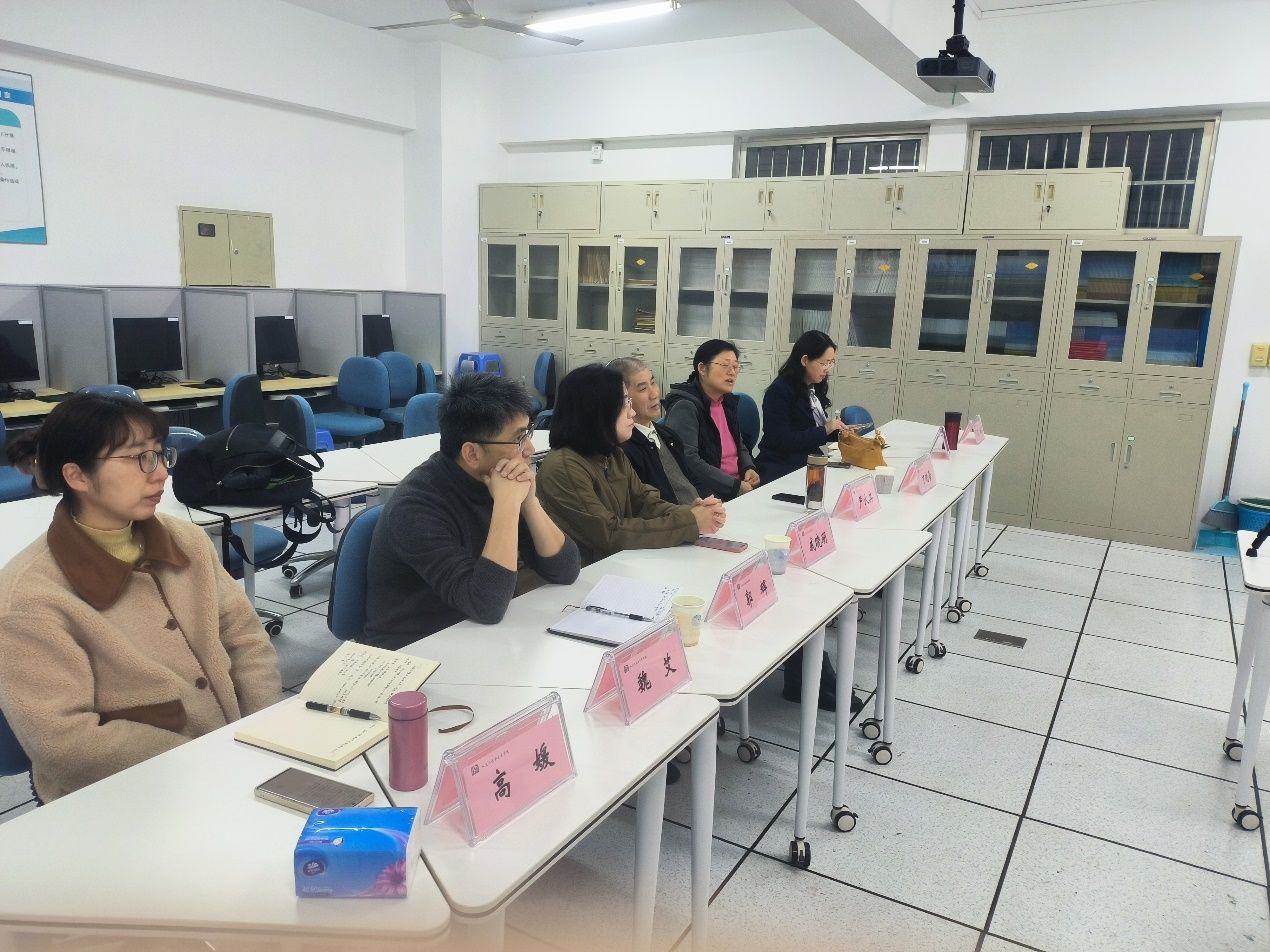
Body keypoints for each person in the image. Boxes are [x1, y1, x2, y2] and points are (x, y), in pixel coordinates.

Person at [0, 395, 283, 802]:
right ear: (77, 476)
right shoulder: (28, 598)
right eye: (139, 458)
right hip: (125, 794)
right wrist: (206, 765)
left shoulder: (185, 539)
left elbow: (246, 640)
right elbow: (65, 743)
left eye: (160, 454)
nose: (162, 472)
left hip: (235, 762)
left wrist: (262, 734)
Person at [363, 373, 580, 649]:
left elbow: (565, 570)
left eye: (527, 432)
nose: (529, 449)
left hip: (475, 632)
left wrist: (529, 503)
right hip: (415, 647)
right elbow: (486, 604)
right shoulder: (414, 507)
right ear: (472, 454)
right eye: (518, 439)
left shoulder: (496, 481)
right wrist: (507, 505)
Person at [537, 364, 725, 566]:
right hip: (584, 574)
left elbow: (643, 501)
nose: (632, 413)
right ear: (595, 412)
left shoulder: (611, 452)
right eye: (623, 404)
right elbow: (609, 534)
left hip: (616, 565)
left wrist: (690, 513)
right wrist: (690, 522)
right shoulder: (564, 467)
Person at [661, 339, 760, 502]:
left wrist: (749, 467)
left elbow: (739, 443)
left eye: (735, 366)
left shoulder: (726, 401)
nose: (732, 372)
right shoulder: (685, 407)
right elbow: (689, 461)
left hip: (737, 486)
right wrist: (735, 486)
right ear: (702, 368)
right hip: (710, 494)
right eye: (725, 365)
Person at [609, 356, 712, 507]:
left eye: (653, 383)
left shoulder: (668, 435)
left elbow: (691, 478)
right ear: (622, 398)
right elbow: (646, 506)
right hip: (677, 518)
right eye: (643, 388)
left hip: (700, 515)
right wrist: (691, 515)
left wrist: (710, 501)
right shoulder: (623, 449)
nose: (654, 394)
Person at [755, 330, 845, 483]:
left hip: (806, 457)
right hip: (781, 463)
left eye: (831, 363)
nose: (827, 369)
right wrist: (826, 429)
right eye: (823, 363)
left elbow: (811, 428)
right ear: (804, 360)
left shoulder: (814, 386)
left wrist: (840, 432)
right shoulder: (779, 391)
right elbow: (782, 439)